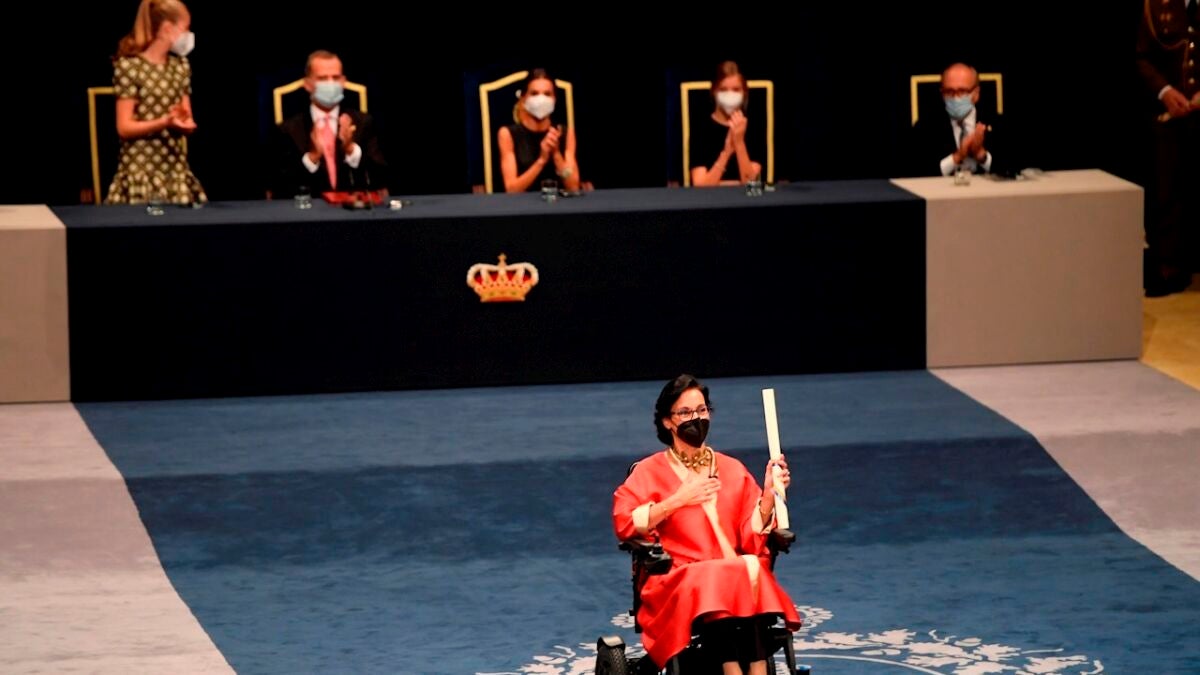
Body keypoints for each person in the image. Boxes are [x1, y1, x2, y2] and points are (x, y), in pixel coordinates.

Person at [612, 374, 801, 673]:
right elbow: (625, 521)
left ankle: (756, 669)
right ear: (667, 421)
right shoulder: (648, 472)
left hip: (731, 573)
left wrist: (768, 495)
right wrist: (677, 500)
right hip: (677, 577)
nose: (696, 419)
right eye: (685, 412)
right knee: (724, 574)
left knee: (745, 566)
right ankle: (732, 670)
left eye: (701, 410)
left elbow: (751, 537)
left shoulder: (732, 468)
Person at [105, 0, 207, 205]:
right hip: (140, 170)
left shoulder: (180, 67)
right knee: (148, 216)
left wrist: (183, 122)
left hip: (174, 170)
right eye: (185, 28)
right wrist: (164, 122)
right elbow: (124, 127)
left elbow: (186, 115)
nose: (188, 35)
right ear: (167, 28)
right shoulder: (130, 67)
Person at [1136, 0, 1199, 297]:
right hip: (1169, 115)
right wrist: (1164, 91)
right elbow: (1141, 56)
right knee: (1167, 191)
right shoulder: (1156, 5)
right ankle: (1169, 266)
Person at [272, 50, 388, 199]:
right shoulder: (289, 128)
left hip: (353, 206)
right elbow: (280, 185)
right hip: (310, 207)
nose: (330, 83)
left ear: (343, 81)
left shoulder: (362, 122)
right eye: (322, 78)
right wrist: (312, 157)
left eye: (335, 77)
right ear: (307, 84)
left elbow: (381, 176)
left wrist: (350, 149)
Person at [905, 62, 1008, 178]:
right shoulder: (925, 126)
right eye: (949, 92)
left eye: (962, 91)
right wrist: (957, 157)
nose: (955, 97)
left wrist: (981, 155)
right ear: (942, 94)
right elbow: (914, 171)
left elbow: (1013, 169)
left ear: (976, 93)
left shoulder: (997, 122)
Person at [497, 69, 582, 193]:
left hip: (557, 202)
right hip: (521, 203)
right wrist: (541, 160)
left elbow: (573, 186)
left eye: (547, 94)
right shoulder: (507, 134)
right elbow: (511, 189)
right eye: (534, 93)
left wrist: (556, 154)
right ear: (523, 98)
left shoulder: (565, 133)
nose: (541, 99)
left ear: (554, 99)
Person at [689, 61, 763, 187]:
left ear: (744, 92)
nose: (730, 95)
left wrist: (739, 142)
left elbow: (752, 186)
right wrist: (726, 152)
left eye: (736, 89)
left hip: (745, 199)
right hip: (710, 199)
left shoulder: (754, 127)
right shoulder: (701, 128)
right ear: (714, 91)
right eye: (723, 89)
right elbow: (700, 187)